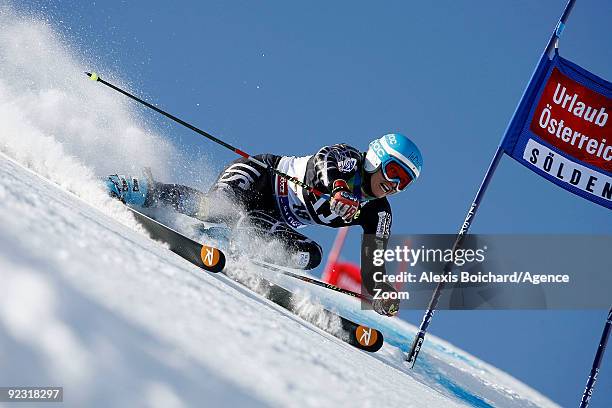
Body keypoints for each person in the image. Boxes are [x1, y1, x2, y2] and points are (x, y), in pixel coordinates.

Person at [105, 133, 422, 316]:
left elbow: (374, 258)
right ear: (377, 157)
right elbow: (322, 163)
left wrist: (380, 291)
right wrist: (339, 188)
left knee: (310, 255)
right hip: (260, 177)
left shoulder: (378, 212)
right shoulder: (348, 160)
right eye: (394, 172)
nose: (395, 184)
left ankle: (234, 245)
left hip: (271, 218)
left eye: (405, 183)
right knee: (216, 208)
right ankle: (141, 191)